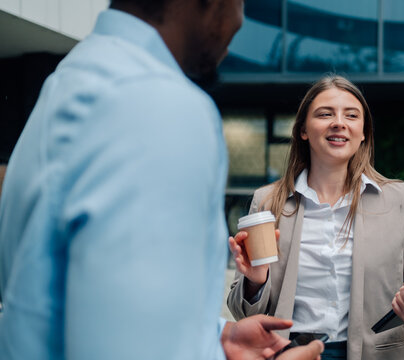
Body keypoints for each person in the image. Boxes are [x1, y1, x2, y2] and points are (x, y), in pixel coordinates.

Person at [0, 0, 324, 359]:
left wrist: (215, 337)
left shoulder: (70, 80)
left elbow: (68, 302)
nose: (240, 22)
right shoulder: (160, 107)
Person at [227, 75, 404, 360]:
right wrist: (255, 283)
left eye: (351, 115)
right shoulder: (267, 202)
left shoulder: (400, 199)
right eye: (325, 114)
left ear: (363, 133)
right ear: (303, 130)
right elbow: (242, 314)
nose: (339, 122)